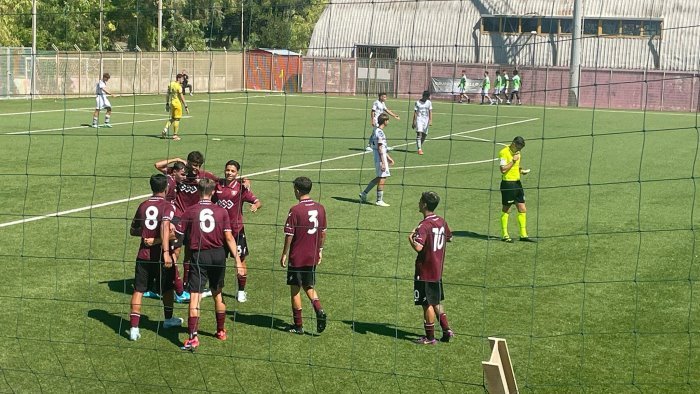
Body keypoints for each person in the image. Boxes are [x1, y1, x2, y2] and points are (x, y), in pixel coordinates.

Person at [175, 178, 243, 351]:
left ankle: (193, 338)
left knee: (195, 296)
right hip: (219, 255)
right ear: (213, 192)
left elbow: (179, 237)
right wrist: (238, 261)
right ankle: (220, 331)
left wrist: (174, 256)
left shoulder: (190, 212)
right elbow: (229, 238)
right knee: (217, 294)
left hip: (200, 256)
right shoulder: (221, 212)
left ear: (198, 191)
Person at [128, 174, 184, 341]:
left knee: (138, 290)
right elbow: (167, 227)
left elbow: (133, 230)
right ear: (166, 187)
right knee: (167, 288)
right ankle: (168, 320)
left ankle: (133, 328)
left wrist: (146, 236)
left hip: (143, 255)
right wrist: (165, 248)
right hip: (160, 256)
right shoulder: (168, 206)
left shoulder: (143, 205)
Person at [280, 176, 327, 335]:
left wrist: (284, 254)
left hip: (297, 256)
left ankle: (298, 325)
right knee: (309, 285)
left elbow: (289, 235)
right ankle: (319, 309)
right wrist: (320, 249)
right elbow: (323, 232)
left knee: (295, 290)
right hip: (312, 254)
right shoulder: (320, 208)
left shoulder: (295, 210)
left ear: (297, 190)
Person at [408, 191, 454, 345]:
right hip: (437, 270)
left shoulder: (424, 225)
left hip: (425, 270)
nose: (418, 203)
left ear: (425, 204)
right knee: (436, 301)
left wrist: (410, 239)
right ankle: (447, 329)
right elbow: (450, 237)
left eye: (420, 200)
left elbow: (419, 247)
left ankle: (430, 337)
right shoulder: (441, 221)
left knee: (426, 303)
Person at [214, 160, 262, 303]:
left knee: (240, 260)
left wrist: (255, 206)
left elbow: (257, 201)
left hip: (236, 231)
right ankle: (216, 287)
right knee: (218, 261)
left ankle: (241, 291)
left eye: (232, 171)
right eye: (227, 170)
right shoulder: (217, 185)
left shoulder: (241, 188)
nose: (229, 173)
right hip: (220, 231)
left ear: (237, 173)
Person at [498, 136, 534, 243]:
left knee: (522, 208)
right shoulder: (503, 152)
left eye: (521, 148)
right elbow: (503, 170)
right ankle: (504, 235)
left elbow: (516, 167)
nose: (520, 150)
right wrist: (513, 161)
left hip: (517, 183)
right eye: (519, 146)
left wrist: (521, 171)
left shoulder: (517, 153)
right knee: (506, 209)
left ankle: (523, 235)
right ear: (513, 143)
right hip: (507, 184)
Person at [359, 113, 394, 207]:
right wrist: (383, 161)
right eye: (388, 120)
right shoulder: (380, 132)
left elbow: (381, 147)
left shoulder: (376, 130)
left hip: (379, 156)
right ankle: (379, 200)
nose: (388, 122)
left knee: (379, 177)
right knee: (382, 178)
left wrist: (388, 157)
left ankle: (364, 193)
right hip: (380, 157)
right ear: (385, 121)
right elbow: (379, 147)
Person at [162, 74, 189, 141]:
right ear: (178, 78)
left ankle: (165, 129)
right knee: (177, 119)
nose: (183, 80)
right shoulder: (179, 86)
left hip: (172, 103)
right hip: (177, 104)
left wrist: (167, 103)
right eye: (182, 79)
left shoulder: (171, 84)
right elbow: (182, 97)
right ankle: (175, 135)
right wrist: (186, 106)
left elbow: (167, 94)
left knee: (173, 118)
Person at [412, 90, 433, 155]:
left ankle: (419, 146)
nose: (427, 98)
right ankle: (419, 149)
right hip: (419, 119)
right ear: (423, 96)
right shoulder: (417, 102)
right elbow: (415, 113)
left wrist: (430, 120)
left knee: (424, 135)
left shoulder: (429, 102)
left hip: (426, 120)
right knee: (419, 134)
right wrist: (414, 122)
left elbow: (430, 111)